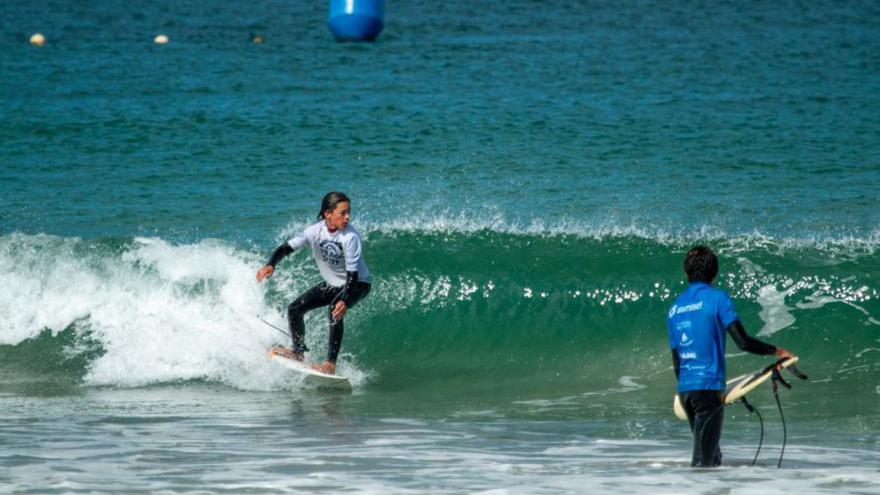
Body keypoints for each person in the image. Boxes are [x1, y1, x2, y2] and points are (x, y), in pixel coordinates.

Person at [666, 245, 793, 467]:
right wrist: (776, 351)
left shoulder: (674, 309)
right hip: (708, 389)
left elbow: (677, 362)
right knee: (703, 463)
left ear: (686, 273)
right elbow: (743, 342)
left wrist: (690, 389)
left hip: (686, 391)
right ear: (714, 272)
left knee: (713, 456)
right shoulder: (718, 299)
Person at [257, 192, 372, 375]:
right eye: (342, 213)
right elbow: (287, 247)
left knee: (335, 307)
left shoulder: (350, 237)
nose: (347, 217)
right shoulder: (314, 232)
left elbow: (352, 274)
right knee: (294, 309)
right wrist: (271, 264)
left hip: (358, 283)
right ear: (328, 213)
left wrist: (344, 300)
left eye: (348, 212)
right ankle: (298, 352)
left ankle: (330, 364)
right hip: (333, 283)